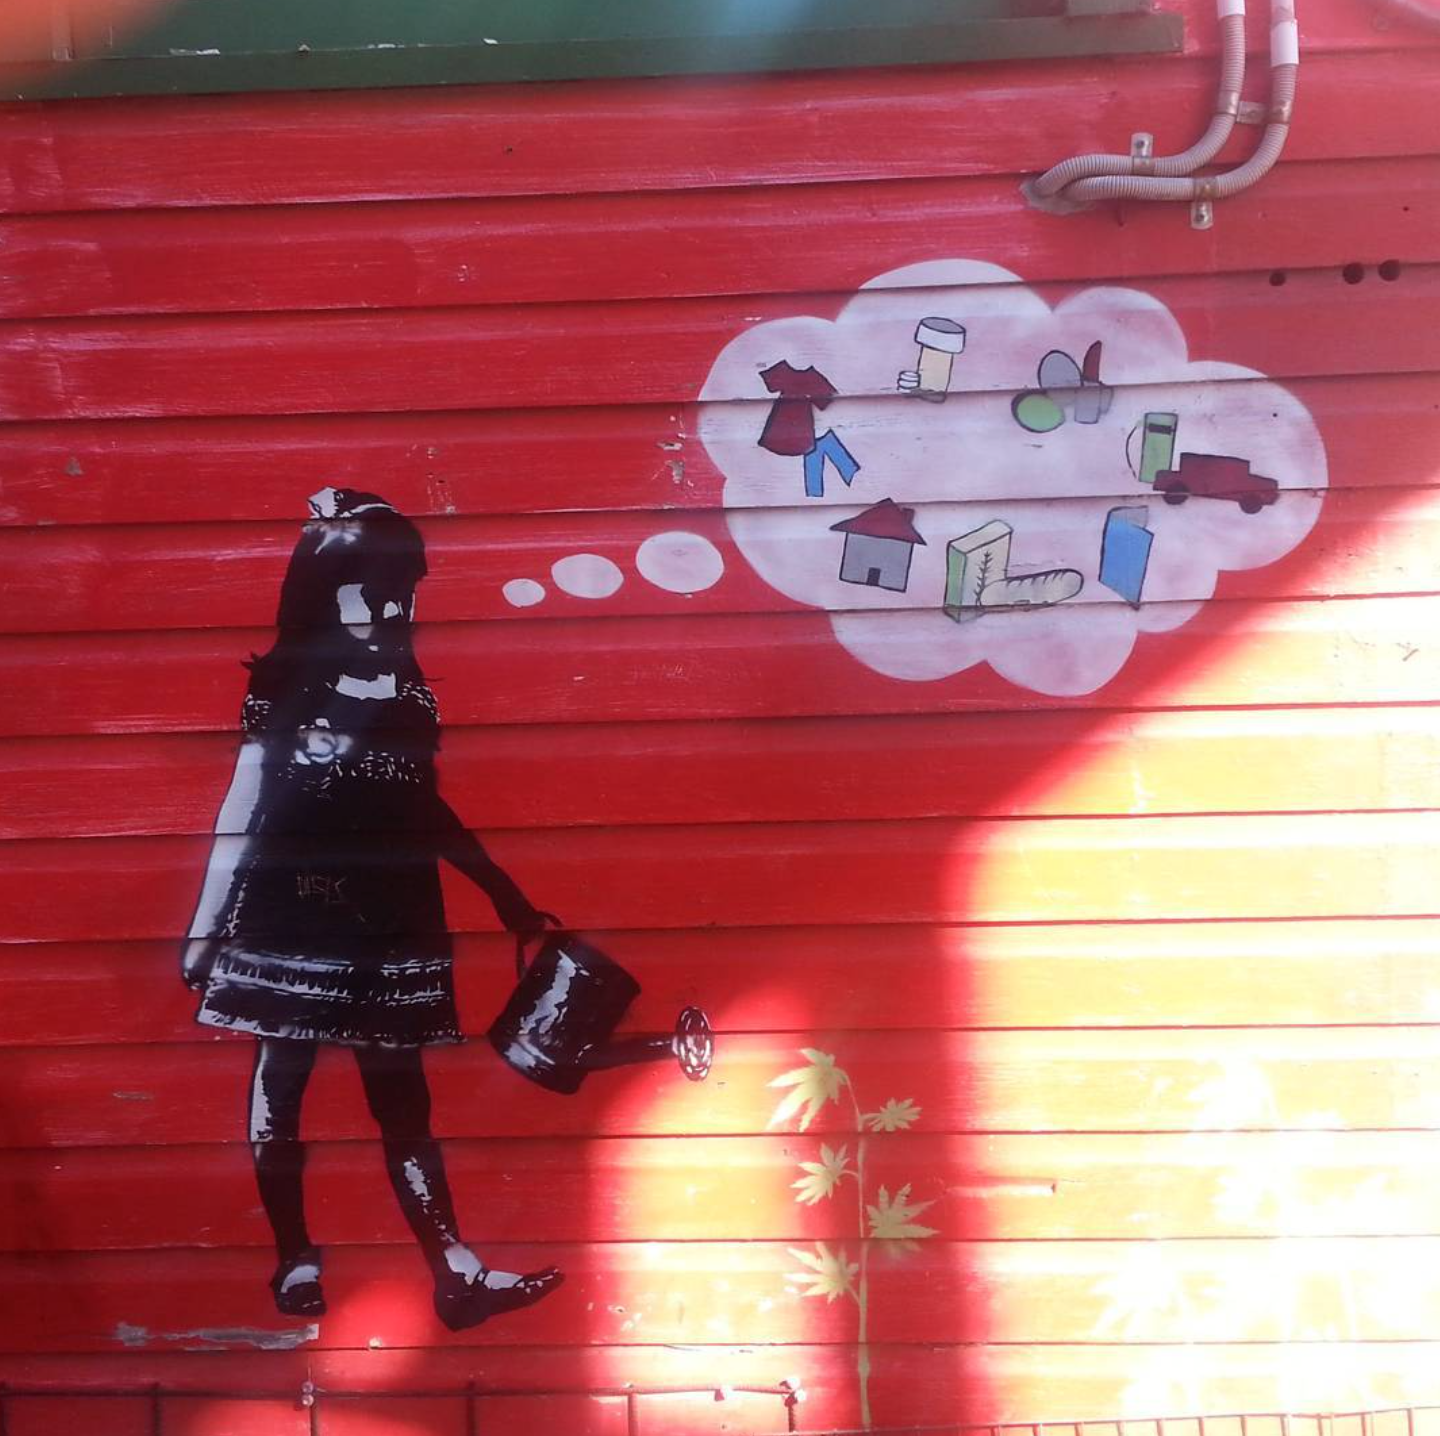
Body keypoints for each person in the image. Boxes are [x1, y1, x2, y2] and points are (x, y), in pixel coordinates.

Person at [181, 486, 563, 1331]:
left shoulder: (410, 692)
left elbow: (422, 806)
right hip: (289, 921)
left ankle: (455, 1271)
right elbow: (245, 801)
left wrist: (502, 891)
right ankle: (294, 1258)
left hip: (391, 928)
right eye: (374, 593)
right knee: (282, 1087)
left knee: (404, 1107)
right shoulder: (287, 683)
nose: (393, 610)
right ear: (323, 592)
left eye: (405, 594)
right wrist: (205, 928)